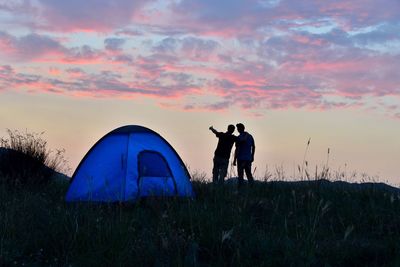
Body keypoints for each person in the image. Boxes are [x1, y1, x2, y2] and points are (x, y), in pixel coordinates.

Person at [233, 123, 255, 187]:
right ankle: (252, 188)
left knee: (240, 175)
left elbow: (237, 149)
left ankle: (241, 189)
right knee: (249, 174)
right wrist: (252, 156)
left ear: (239, 129)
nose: (237, 129)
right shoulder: (250, 136)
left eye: (237, 128)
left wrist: (234, 159)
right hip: (248, 159)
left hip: (240, 159)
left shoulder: (239, 138)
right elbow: (253, 146)